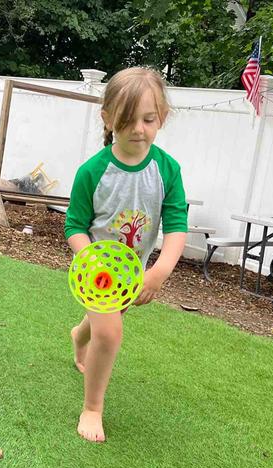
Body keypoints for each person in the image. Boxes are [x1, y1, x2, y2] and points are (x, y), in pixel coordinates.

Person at [65, 67, 188, 443]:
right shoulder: (93, 171)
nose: (138, 128)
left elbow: (177, 224)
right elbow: (74, 226)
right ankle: (93, 407)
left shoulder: (167, 170)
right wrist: (92, 259)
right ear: (107, 118)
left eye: (148, 119)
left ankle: (80, 334)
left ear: (161, 118)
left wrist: (160, 270)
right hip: (95, 269)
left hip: (135, 272)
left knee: (107, 322)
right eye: (127, 119)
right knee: (112, 331)